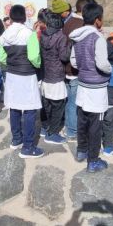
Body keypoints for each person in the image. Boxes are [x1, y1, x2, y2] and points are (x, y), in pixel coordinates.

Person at [70, 2, 112, 173]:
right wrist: (110, 70)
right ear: (97, 20)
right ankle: (93, 160)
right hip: (97, 89)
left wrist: (85, 69)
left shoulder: (77, 38)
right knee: (96, 125)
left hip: (82, 86)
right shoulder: (97, 38)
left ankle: (81, 151)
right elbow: (102, 64)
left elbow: (73, 61)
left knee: (82, 120)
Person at [0, 4, 43, 159]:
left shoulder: (4, 35)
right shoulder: (29, 33)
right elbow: (33, 57)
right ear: (25, 17)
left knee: (15, 108)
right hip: (27, 75)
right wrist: (39, 66)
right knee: (30, 110)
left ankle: (16, 139)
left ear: (10, 17)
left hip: (12, 75)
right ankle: (28, 147)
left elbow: (2, 58)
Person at [63, 0, 96, 140]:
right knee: (74, 102)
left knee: (69, 99)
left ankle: (68, 126)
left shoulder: (68, 21)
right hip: (76, 69)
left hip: (65, 68)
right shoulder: (82, 24)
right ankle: (72, 130)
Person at [39, 12, 71, 144]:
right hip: (57, 74)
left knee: (47, 103)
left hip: (45, 74)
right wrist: (70, 46)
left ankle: (44, 126)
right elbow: (64, 57)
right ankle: (52, 133)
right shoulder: (61, 36)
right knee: (58, 105)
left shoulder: (43, 35)